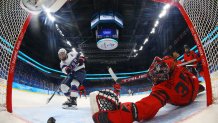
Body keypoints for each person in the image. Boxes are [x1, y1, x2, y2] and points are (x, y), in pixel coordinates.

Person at [90, 56, 201, 123]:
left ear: (162, 76)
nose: (154, 80)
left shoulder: (163, 90)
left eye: (155, 77)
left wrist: (114, 116)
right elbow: (168, 61)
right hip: (194, 85)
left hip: (190, 94)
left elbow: (144, 108)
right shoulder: (173, 66)